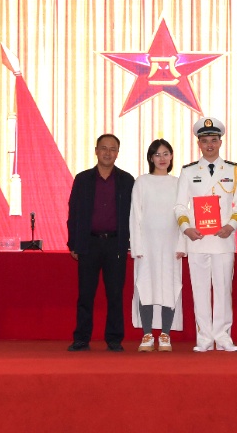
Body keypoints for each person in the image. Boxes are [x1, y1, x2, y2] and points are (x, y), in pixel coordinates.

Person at [174, 117, 237, 352]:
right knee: (200, 290)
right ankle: (204, 337)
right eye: (204, 141)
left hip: (223, 239)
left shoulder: (234, 170)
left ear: (220, 142)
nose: (209, 145)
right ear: (199, 143)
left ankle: (223, 336)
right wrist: (186, 228)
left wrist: (231, 226)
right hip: (197, 239)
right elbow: (180, 206)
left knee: (223, 290)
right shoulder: (188, 171)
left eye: (213, 140)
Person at [66, 134, 135, 352]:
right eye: (104, 148)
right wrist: (73, 243)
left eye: (113, 149)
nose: (108, 153)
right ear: (96, 151)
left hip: (116, 244)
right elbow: (73, 212)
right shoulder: (83, 179)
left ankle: (114, 339)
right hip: (89, 243)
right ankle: (81, 338)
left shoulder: (127, 180)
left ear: (118, 153)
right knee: (86, 294)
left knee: (115, 294)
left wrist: (130, 242)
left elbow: (135, 215)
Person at [130, 139, 186, 352]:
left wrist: (182, 244)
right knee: (145, 286)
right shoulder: (142, 182)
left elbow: (184, 215)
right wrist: (137, 246)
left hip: (171, 246)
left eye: (166, 154)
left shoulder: (178, 183)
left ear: (171, 157)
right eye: (157, 154)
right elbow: (135, 215)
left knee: (169, 286)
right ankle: (147, 334)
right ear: (150, 158)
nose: (162, 158)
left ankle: (165, 334)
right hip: (147, 246)